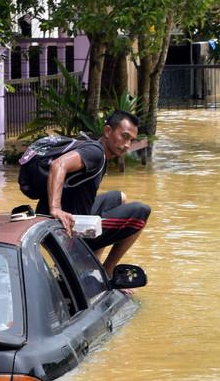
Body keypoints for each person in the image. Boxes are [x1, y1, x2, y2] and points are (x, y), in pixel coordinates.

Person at [36, 110, 151, 276]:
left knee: (119, 197)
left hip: (51, 217)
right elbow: (58, 165)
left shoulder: (96, 150)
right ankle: (108, 271)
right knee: (141, 212)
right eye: (124, 136)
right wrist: (56, 208)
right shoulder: (95, 153)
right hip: (64, 227)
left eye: (131, 140)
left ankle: (92, 265)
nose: (127, 144)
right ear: (108, 131)